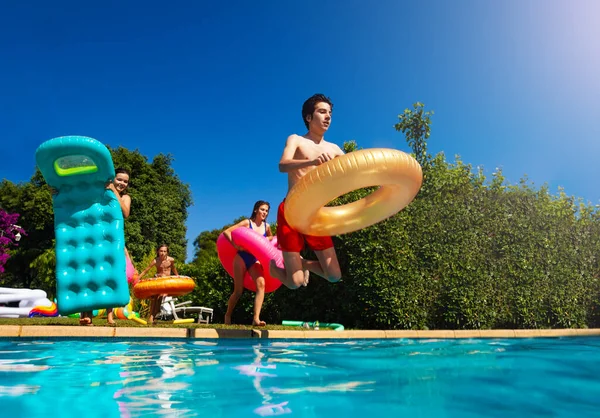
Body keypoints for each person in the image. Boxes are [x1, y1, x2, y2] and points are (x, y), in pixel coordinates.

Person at [269, 94, 344, 289]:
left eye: (330, 113)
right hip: (291, 210)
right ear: (309, 118)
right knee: (295, 283)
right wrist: (312, 162)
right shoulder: (296, 140)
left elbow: (353, 173)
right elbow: (282, 165)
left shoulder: (334, 149)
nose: (327, 116)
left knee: (334, 275)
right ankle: (274, 269)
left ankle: (303, 263)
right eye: (322, 112)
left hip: (316, 214)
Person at [80, 167, 133, 326]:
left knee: (110, 276)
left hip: (113, 240)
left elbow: (125, 212)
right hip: (96, 238)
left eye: (125, 181)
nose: (122, 183)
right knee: (91, 273)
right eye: (119, 179)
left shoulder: (125, 197)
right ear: (112, 178)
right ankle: (87, 314)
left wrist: (113, 190)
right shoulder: (100, 194)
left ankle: (110, 316)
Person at [222, 200, 274, 326]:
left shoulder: (266, 227)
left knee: (261, 284)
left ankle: (256, 319)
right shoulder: (247, 222)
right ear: (256, 210)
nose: (264, 212)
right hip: (241, 257)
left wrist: (266, 238)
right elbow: (227, 232)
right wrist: (235, 245)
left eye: (266, 210)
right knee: (238, 291)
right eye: (262, 209)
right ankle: (228, 315)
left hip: (254, 259)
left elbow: (271, 237)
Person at [137, 244, 179, 324]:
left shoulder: (171, 260)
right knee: (154, 297)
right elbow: (146, 270)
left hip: (166, 282)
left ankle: (153, 316)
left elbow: (173, 268)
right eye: (161, 251)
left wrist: (177, 276)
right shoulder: (156, 261)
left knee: (160, 297)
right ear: (158, 252)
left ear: (167, 252)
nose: (162, 253)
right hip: (158, 281)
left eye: (164, 251)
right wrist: (138, 278)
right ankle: (152, 316)